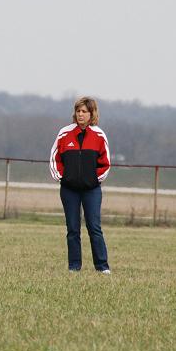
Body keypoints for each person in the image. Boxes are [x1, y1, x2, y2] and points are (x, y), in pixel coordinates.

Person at [49, 96, 112, 274]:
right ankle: (74, 267)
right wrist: (63, 178)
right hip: (69, 190)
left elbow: (105, 164)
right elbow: (55, 159)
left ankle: (102, 267)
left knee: (94, 227)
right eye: (78, 111)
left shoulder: (99, 135)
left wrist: (93, 180)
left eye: (84, 111)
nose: (80, 115)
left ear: (92, 114)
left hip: (91, 190)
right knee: (73, 229)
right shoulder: (64, 133)